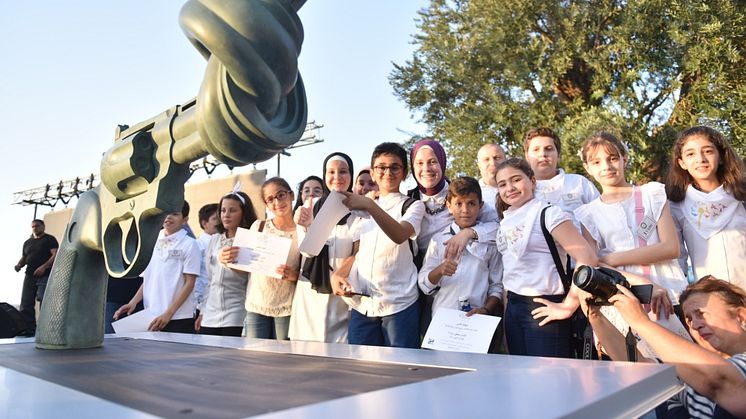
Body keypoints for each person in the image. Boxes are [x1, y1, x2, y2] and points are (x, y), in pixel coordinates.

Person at [588, 277, 746, 418]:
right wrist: (594, 314)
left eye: (701, 314)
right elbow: (639, 366)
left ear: (741, 316)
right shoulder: (689, 369)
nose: (695, 325)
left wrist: (640, 321)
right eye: (689, 319)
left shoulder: (717, 372)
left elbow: (721, 380)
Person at [575, 132, 687, 318]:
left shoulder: (652, 194)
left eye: (612, 158)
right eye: (597, 162)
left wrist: (611, 259)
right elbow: (594, 265)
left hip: (669, 292)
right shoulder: (588, 214)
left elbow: (671, 248)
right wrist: (644, 284)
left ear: (624, 159)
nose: (607, 166)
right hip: (622, 299)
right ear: (587, 168)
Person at [495, 158, 599, 357]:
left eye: (516, 179)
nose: (510, 188)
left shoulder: (549, 214)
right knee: (521, 378)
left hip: (546, 306)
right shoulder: (506, 220)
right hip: (514, 308)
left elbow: (587, 258)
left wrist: (568, 306)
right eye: (502, 184)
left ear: (533, 181)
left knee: (549, 382)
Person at [333, 142, 426, 348]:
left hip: (399, 304)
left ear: (404, 173)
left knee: (400, 369)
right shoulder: (362, 207)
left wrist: (369, 205)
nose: (387, 172)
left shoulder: (412, 205)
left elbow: (400, 234)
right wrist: (338, 274)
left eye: (395, 167)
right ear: (373, 173)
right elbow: (358, 251)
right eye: (381, 167)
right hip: (364, 304)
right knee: (361, 369)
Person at [666, 126, 746, 290]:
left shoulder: (741, 196)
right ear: (681, 163)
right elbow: (679, 257)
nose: (700, 159)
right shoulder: (676, 205)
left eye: (708, 151)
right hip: (712, 297)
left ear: (721, 156)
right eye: (690, 154)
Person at [290, 152, 356, 343]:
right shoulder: (313, 206)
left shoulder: (359, 208)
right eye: (331, 172)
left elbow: (358, 251)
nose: (337, 177)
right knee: (307, 353)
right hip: (311, 292)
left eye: (343, 171)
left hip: (342, 292)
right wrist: (305, 225)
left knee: (340, 355)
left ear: (351, 175)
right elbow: (307, 251)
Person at [418, 177, 503, 317]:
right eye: (458, 204)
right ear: (449, 206)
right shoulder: (438, 240)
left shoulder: (490, 241)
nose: (465, 210)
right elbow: (424, 285)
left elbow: (497, 286)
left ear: (480, 206)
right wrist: (440, 270)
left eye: (471, 203)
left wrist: (486, 310)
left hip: (478, 318)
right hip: (443, 317)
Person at [114, 201, 201, 333]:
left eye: (175, 214)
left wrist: (169, 314)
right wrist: (133, 302)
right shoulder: (151, 242)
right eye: (166, 213)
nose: (169, 217)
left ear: (185, 220)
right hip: (151, 315)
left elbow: (190, 283)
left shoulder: (190, 244)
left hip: (178, 317)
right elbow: (148, 278)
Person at [243, 177, 302, 340]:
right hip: (256, 305)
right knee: (255, 357)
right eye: (270, 199)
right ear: (266, 204)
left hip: (286, 307)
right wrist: (227, 257)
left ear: (291, 195)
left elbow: (308, 271)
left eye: (281, 195)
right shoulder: (259, 227)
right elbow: (244, 262)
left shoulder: (302, 231)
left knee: (283, 359)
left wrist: (293, 275)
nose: (277, 202)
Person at [197, 191, 257, 337]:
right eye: (223, 210)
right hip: (210, 315)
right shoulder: (214, 240)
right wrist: (203, 311)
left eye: (232, 210)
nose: (226, 215)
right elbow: (209, 281)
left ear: (244, 213)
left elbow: (253, 280)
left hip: (237, 313)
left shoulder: (252, 239)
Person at [524, 127, 599, 213]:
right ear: (527, 156)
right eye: (536, 150)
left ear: (558, 155)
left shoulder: (579, 183)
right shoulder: (522, 191)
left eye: (548, 149)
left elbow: (601, 215)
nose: (543, 154)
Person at [14, 219, 58, 336]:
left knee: (44, 299)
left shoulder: (49, 240)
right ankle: (28, 329)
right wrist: (19, 265)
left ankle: (46, 329)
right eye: (33, 226)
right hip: (29, 275)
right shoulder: (28, 242)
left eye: (37, 226)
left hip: (44, 275)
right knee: (26, 302)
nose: (35, 228)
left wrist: (44, 267)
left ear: (43, 226)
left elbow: (55, 254)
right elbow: (24, 257)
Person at [194, 203, 219, 316]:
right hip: (202, 303)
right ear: (204, 223)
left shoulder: (223, 242)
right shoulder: (197, 245)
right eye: (215, 218)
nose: (220, 221)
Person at [477, 143, 507, 222]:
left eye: (497, 158)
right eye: (486, 159)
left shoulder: (520, 188)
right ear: (479, 166)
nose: (493, 163)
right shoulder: (473, 193)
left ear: (506, 161)